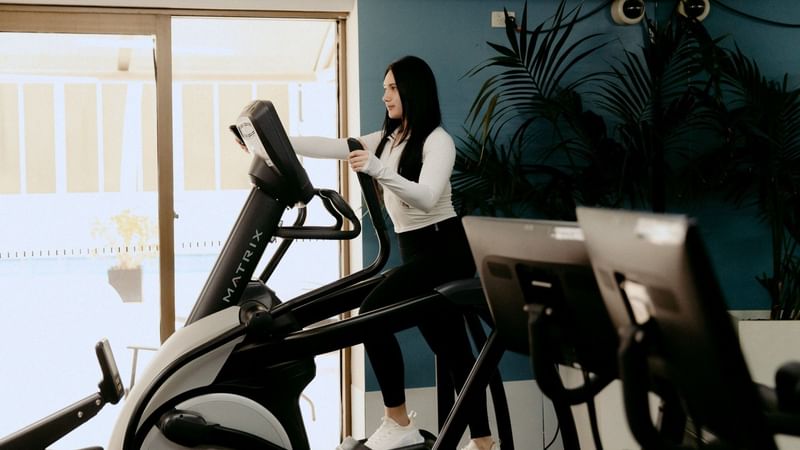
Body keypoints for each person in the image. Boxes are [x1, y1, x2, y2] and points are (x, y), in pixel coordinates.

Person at [289, 55, 499, 450]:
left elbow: (427, 196)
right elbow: (335, 146)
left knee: (371, 315)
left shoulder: (438, 141)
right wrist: (278, 141)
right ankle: (485, 443)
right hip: (416, 251)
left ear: (412, 89)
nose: (384, 95)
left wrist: (377, 169)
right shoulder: (388, 139)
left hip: (446, 248)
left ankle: (397, 420)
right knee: (452, 348)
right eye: (384, 87)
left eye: (392, 87)